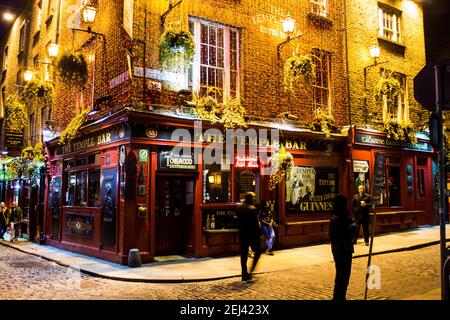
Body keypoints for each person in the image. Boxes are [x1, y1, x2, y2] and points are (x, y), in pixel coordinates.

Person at [329, 195, 356, 301]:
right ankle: (338, 297)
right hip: (341, 249)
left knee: (344, 275)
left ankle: (341, 296)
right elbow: (340, 234)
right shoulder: (336, 219)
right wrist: (352, 227)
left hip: (345, 248)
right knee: (342, 275)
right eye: (345, 204)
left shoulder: (343, 217)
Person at [237, 192, 262, 281]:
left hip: (242, 234)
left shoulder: (239, 207)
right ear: (250, 198)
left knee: (243, 254)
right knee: (258, 252)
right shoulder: (252, 209)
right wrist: (260, 233)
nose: (254, 199)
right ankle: (251, 270)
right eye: (253, 198)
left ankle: (244, 273)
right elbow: (255, 224)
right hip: (252, 235)